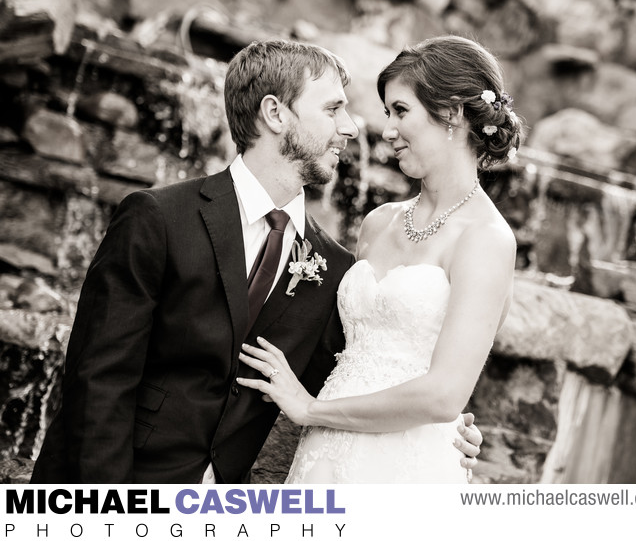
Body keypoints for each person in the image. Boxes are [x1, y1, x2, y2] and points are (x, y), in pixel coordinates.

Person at [30, 39, 481, 484]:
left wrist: (437, 428)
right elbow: (98, 381)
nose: (350, 128)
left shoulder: (335, 267)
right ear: (275, 113)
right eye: (332, 109)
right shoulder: (157, 218)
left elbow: (350, 376)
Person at [237, 35, 521, 483]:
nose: (387, 130)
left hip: (403, 466)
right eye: (388, 113)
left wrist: (310, 407)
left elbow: (445, 395)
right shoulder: (378, 223)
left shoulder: (487, 239)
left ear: (451, 113)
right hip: (323, 449)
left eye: (401, 111)